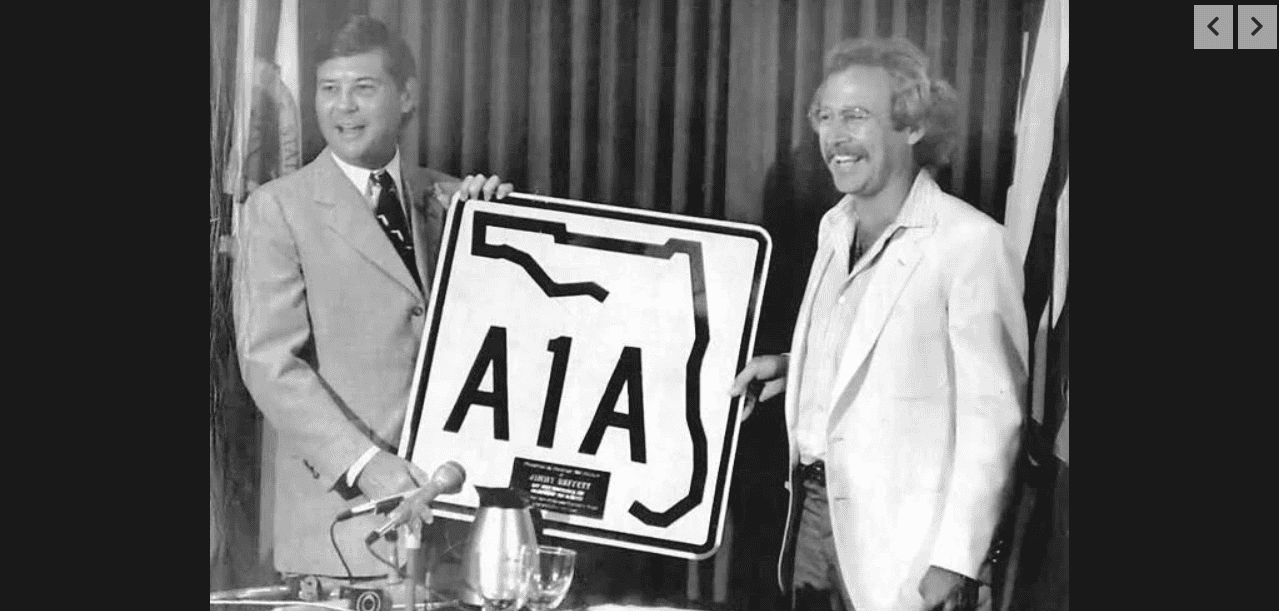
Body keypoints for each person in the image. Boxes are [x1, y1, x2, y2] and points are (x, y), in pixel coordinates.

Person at [731, 36, 1028, 611]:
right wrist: (794, 369)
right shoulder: (833, 226)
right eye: (826, 117)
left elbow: (994, 420)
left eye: (857, 117)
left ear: (912, 127)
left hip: (906, 548)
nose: (835, 137)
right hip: (812, 519)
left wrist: (955, 558)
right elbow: (878, 357)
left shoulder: (969, 244)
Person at [233, 15, 513, 588]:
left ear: (406, 96)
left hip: (457, 534)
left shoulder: (454, 199)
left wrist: (502, 230)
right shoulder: (277, 209)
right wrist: (366, 465)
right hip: (347, 537)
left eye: (364, 89)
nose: (343, 109)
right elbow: (270, 364)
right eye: (328, 90)